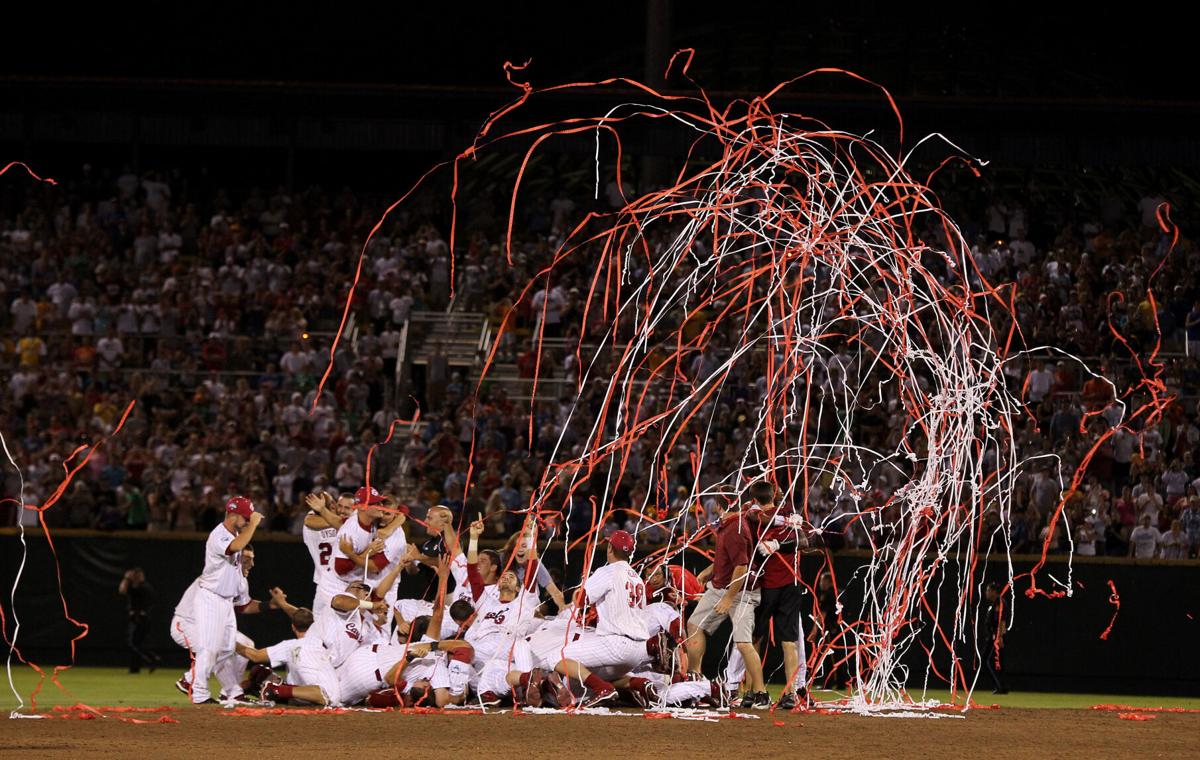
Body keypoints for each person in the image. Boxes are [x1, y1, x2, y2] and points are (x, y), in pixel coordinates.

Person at [685, 485, 769, 709]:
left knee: (743, 643)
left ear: (720, 506)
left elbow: (741, 566)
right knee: (694, 625)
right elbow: (731, 559)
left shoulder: (735, 528)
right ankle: (695, 679)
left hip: (740, 592)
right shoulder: (732, 524)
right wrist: (710, 570)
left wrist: (729, 598)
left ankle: (761, 692)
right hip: (722, 586)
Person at [554, 529, 654, 707]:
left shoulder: (608, 571)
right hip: (638, 651)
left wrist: (581, 588)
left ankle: (603, 689)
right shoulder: (637, 579)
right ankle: (633, 684)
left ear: (609, 548)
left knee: (558, 657)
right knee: (581, 680)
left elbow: (581, 601)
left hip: (616, 644)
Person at [184, 495, 262, 704]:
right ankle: (198, 691)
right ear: (233, 514)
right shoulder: (219, 534)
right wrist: (253, 524)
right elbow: (235, 547)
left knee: (227, 648)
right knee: (209, 648)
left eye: (249, 519)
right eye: (245, 518)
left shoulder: (234, 533)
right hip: (211, 597)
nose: (247, 521)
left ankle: (217, 686)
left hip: (225, 601)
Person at [118, 567, 159, 673]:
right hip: (137, 617)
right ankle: (136, 667)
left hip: (140, 618)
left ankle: (150, 659)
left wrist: (126, 578)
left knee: (133, 643)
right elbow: (122, 590)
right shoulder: (136, 587)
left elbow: (123, 590)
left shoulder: (143, 587)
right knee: (136, 643)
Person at [980, 582, 1008, 694]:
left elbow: (1002, 620)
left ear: (994, 591)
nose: (986, 593)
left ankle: (1000, 686)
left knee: (989, 661)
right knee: (994, 662)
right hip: (993, 636)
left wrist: (1000, 637)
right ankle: (1001, 686)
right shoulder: (994, 604)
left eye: (988, 590)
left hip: (996, 637)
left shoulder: (999, 603)